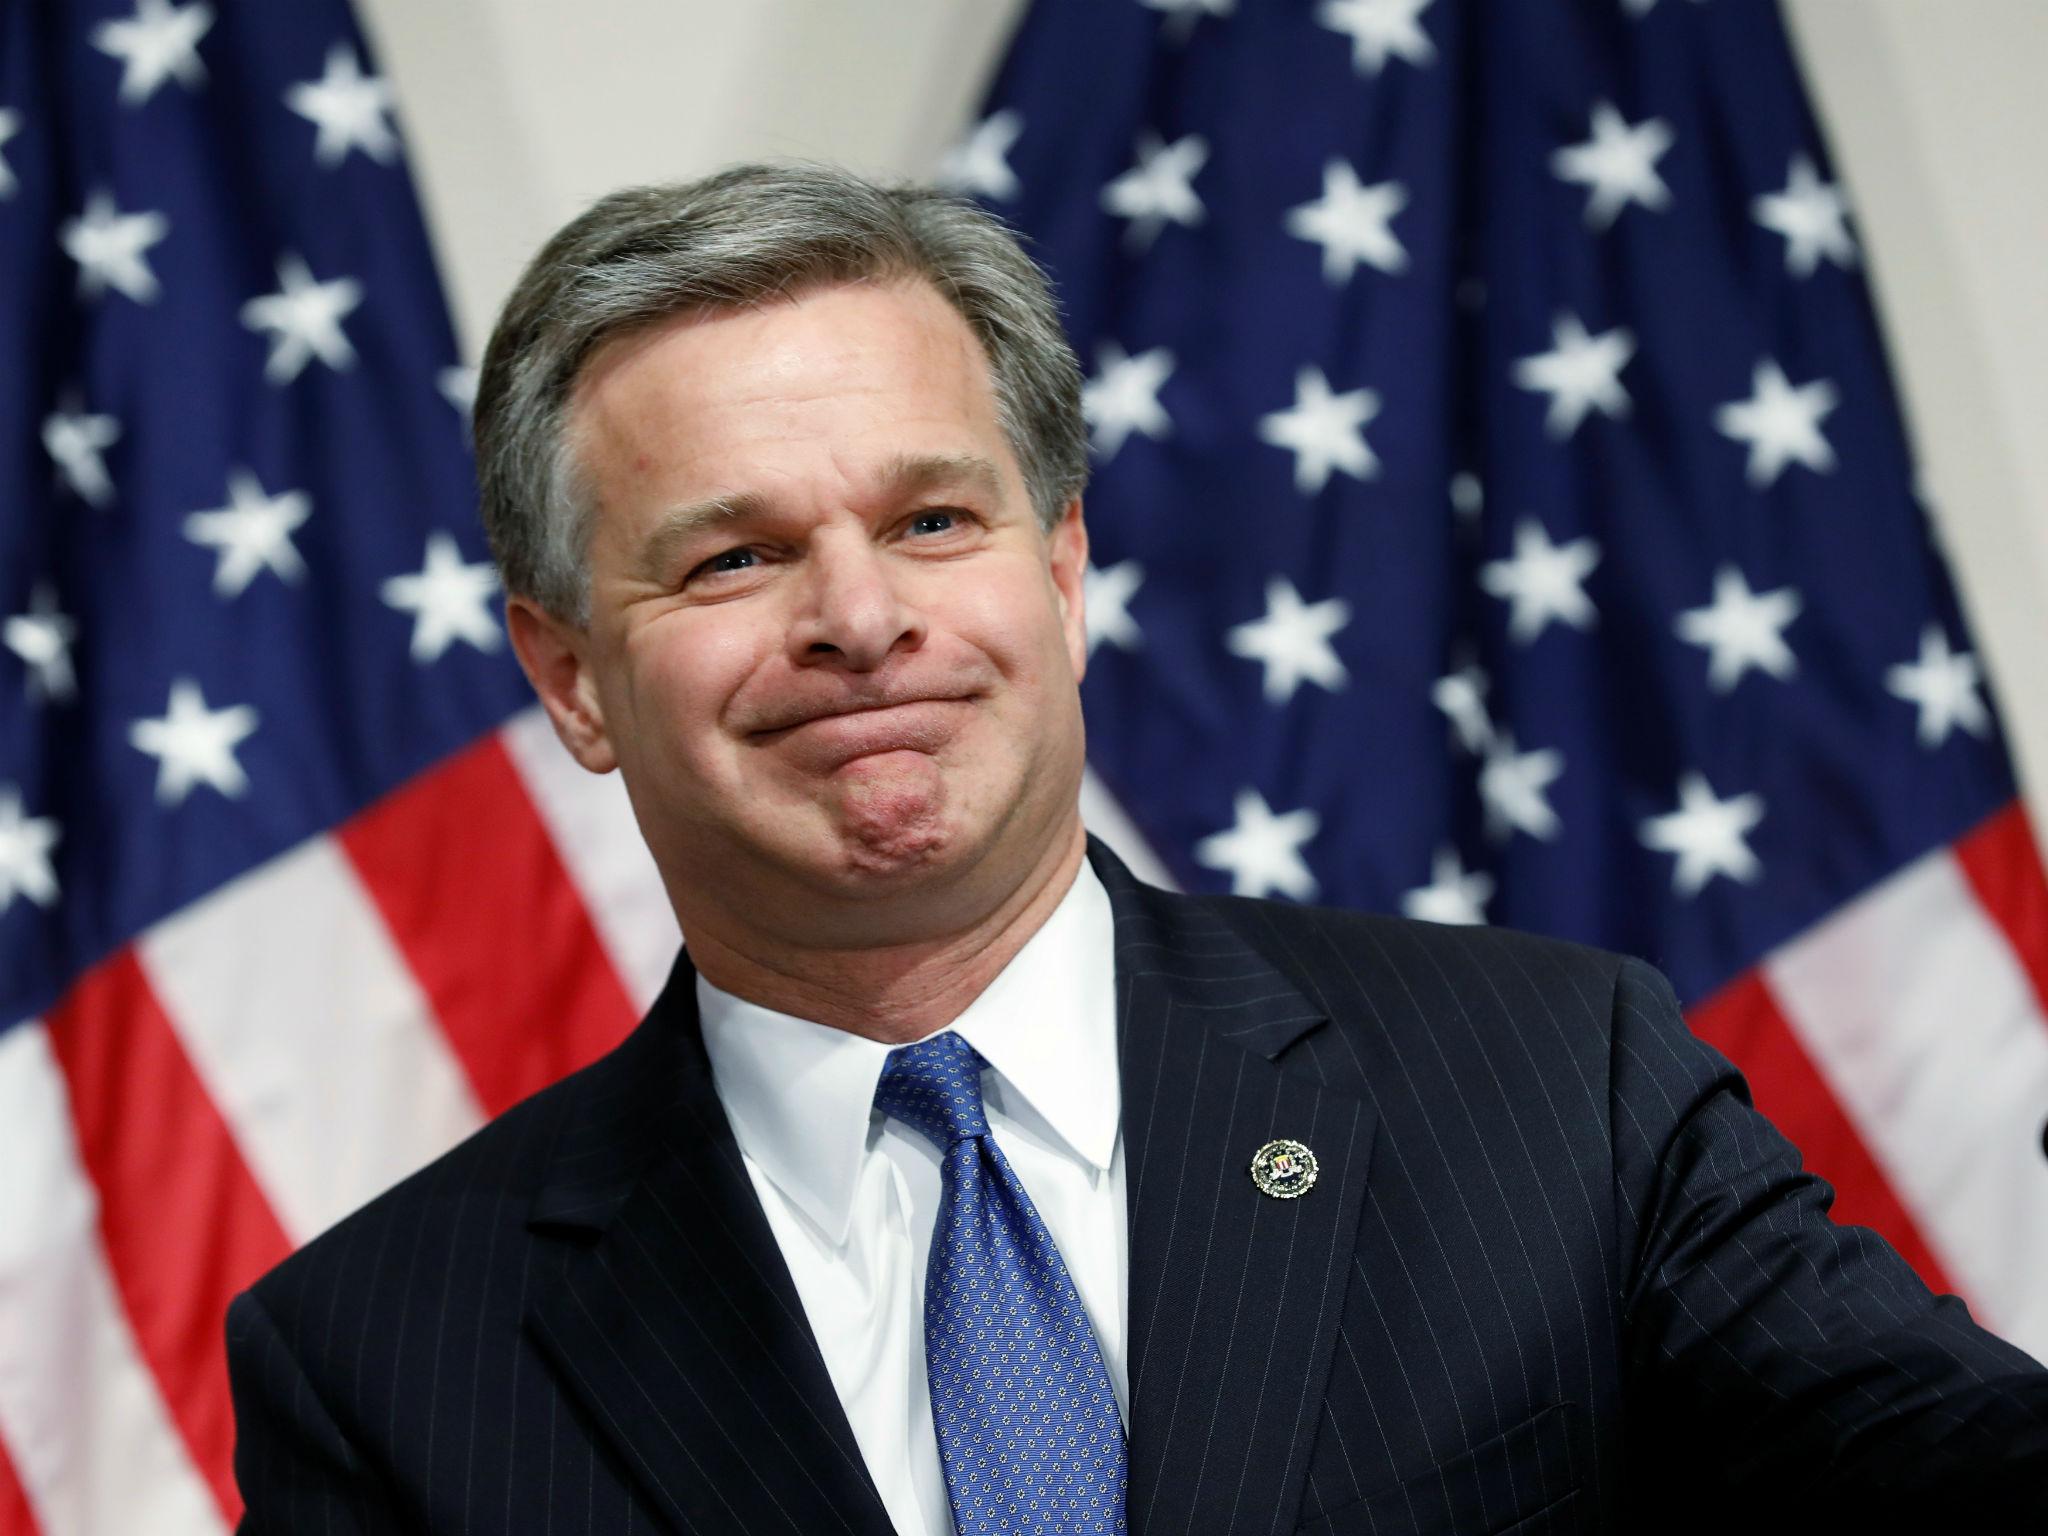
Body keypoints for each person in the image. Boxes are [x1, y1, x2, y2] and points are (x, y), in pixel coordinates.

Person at [225, 162, 2048, 1534]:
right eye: (735, 557)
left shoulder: (1553, 1085)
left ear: (1064, 571)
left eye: (933, 518)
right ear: (572, 675)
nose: (859, 619)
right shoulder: (385, 1358)